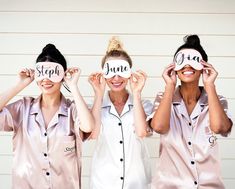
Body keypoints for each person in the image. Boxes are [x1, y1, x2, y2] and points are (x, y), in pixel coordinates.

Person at [0, 44, 94, 189]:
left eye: (52, 73)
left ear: (62, 76)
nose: (46, 79)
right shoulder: (23, 108)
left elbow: (88, 126)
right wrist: (20, 84)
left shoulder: (73, 110)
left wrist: (73, 86)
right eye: (42, 73)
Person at [149, 35, 233, 189]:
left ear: (203, 67)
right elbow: (159, 127)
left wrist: (210, 86)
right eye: (182, 61)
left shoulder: (217, 100)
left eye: (193, 61)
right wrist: (169, 85)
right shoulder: (163, 98)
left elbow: (219, 128)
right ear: (175, 67)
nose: (187, 65)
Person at [88, 37, 153, 189]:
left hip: (137, 183)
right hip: (102, 183)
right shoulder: (95, 107)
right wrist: (98, 93)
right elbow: (94, 134)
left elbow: (142, 132)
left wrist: (136, 93)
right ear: (104, 73)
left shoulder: (144, 105)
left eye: (121, 72)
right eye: (111, 72)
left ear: (129, 73)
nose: (116, 78)